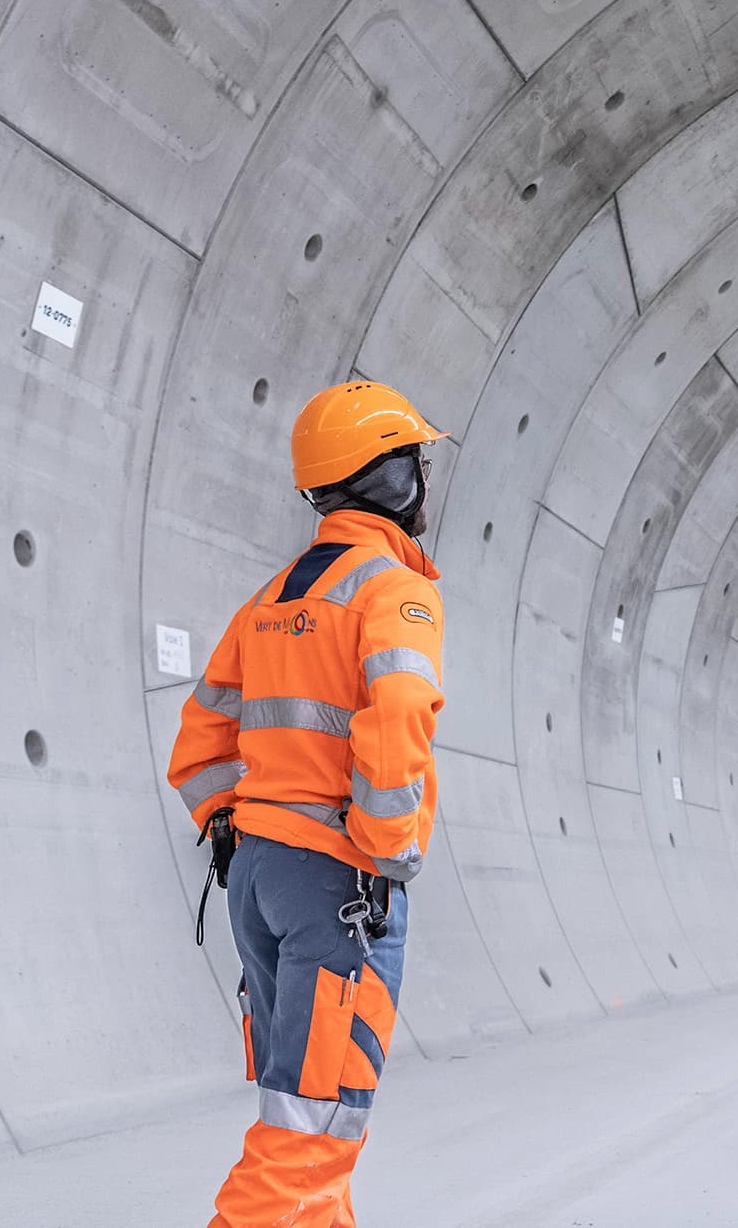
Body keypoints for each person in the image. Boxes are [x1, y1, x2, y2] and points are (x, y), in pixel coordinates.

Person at [167, 381, 449, 1228]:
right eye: (414, 461)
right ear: (389, 480)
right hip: (336, 886)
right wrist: (388, 846)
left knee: (308, 1109)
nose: (423, 479)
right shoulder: (392, 589)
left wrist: (227, 824)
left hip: (257, 879)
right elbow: (397, 712)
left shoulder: (273, 598)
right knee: (312, 1129)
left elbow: (202, 733)